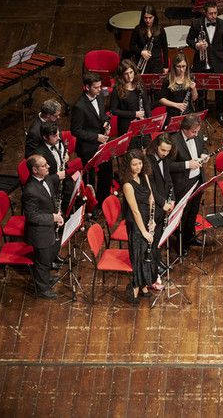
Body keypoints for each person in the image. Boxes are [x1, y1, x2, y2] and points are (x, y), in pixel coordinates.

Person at [22, 155, 64, 299]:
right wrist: (53, 217)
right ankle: (41, 289)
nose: (48, 167)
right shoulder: (30, 190)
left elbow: (51, 198)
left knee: (51, 253)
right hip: (39, 231)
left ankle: (45, 278)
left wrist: (58, 214)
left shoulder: (45, 177)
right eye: (44, 165)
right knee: (43, 261)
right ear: (35, 170)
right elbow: (32, 216)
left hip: (49, 225)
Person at [120, 149, 156, 305]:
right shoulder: (127, 185)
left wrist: (153, 219)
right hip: (136, 223)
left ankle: (143, 285)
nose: (138, 167)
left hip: (147, 218)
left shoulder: (144, 176)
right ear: (128, 166)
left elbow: (151, 198)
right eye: (134, 164)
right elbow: (134, 211)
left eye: (140, 163)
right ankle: (135, 286)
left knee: (147, 254)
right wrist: (143, 231)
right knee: (138, 255)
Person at [70, 71, 112, 206]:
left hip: (101, 140)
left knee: (107, 167)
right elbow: (75, 131)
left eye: (100, 86)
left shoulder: (99, 97)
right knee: (90, 178)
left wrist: (106, 123)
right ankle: (91, 204)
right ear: (87, 87)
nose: (100, 89)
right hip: (88, 146)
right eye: (96, 87)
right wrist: (96, 137)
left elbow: (102, 116)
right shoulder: (79, 106)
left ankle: (103, 199)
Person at [187, 0, 223, 126]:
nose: (214, 16)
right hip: (201, 62)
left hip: (218, 62)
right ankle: (201, 113)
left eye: (216, 13)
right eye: (211, 13)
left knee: (219, 91)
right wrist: (197, 45)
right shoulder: (196, 23)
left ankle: (220, 113)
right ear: (205, 12)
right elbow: (189, 39)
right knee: (200, 90)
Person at [171, 114, 210, 248]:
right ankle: (180, 244)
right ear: (185, 129)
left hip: (197, 179)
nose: (197, 134)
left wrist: (204, 154)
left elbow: (203, 148)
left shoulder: (198, 135)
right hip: (182, 183)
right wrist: (187, 164)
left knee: (193, 211)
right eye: (194, 131)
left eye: (198, 131)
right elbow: (168, 166)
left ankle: (190, 237)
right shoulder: (174, 141)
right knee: (183, 214)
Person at [145, 133, 177, 266]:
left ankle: (158, 260)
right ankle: (153, 264)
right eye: (163, 150)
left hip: (163, 203)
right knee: (153, 237)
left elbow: (168, 180)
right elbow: (150, 188)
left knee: (160, 235)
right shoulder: (148, 161)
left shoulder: (165, 159)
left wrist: (173, 199)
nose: (165, 153)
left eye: (168, 151)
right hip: (153, 205)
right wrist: (163, 203)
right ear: (156, 146)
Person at [110, 59, 151, 149]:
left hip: (141, 123)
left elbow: (146, 104)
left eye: (131, 72)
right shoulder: (117, 89)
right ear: (121, 75)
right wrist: (134, 114)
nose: (129, 76)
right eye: (126, 74)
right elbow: (114, 110)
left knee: (146, 149)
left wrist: (149, 121)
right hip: (126, 126)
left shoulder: (140, 84)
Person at [158, 53, 198, 126]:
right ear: (174, 67)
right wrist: (176, 105)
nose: (181, 69)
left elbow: (194, 98)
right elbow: (161, 99)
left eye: (183, 66)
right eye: (178, 67)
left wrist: (194, 89)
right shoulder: (168, 79)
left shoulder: (191, 77)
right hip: (172, 113)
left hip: (188, 113)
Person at [129, 5, 169, 75]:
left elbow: (165, 48)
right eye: (145, 18)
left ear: (154, 17)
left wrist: (166, 66)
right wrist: (141, 52)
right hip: (142, 64)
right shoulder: (137, 29)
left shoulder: (160, 30)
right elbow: (131, 46)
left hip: (157, 64)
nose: (148, 20)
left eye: (150, 18)